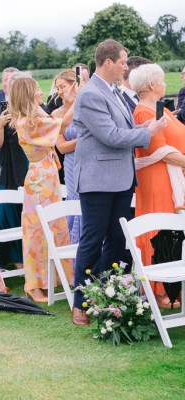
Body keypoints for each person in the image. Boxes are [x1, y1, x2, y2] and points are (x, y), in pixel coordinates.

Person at [71, 39, 167, 326]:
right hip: (98, 181)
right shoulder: (90, 95)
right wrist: (147, 134)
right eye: (123, 62)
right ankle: (80, 303)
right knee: (91, 241)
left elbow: (124, 130)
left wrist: (146, 128)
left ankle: (106, 296)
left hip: (121, 179)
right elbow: (111, 136)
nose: (127, 67)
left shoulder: (112, 91)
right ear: (108, 62)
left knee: (115, 241)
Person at [10, 75, 75, 303]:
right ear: (28, 94)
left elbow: (58, 117)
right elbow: (63, 124)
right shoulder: (26, 122)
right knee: (38, 231)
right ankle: (34, 283)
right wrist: (79, 99)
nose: (41, 92)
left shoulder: (37, 116)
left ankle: (52, 279)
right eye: (37, 89)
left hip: (48, 179)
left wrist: (68, 102)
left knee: (55, 227)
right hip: (39, 181)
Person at [130, 63, 185, 307]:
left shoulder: (162, 108)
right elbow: (159, 150)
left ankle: (174, 283)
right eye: (162, 81)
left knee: (173, 230)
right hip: (157, 178)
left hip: (173, 174)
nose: (165, 84)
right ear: (152, 85)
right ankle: (158, 287)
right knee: (159, 230)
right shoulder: (143, 112)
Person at [0, 71, 27, 270]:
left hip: (29, 164)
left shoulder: (35, 109)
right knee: (6, 211)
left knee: (27, 211)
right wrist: (1, 125)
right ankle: (15, 259)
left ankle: (33, 258)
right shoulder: (3, 112)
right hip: (10, 166)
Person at [53, 69, 81, 244]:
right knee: (76, 202)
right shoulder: (57, 114)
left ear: (74, 85)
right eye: (58, 88)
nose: (60, 91)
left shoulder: (86, 106)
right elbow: (61, 147)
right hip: (71, 163)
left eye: (63, 86)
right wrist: (85, 139)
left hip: (91, 161)